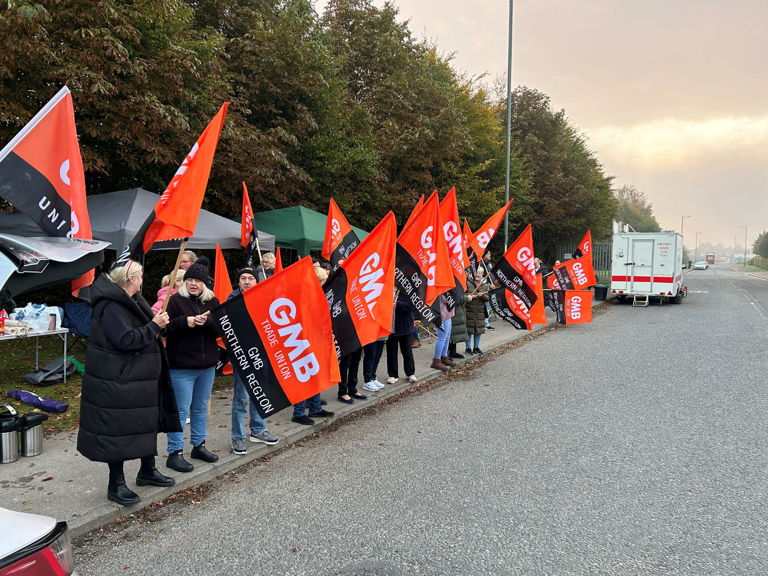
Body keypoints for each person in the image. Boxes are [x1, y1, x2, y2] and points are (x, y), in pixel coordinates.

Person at [77, 261, 181, 506]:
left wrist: (160, 325)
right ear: (131, 278)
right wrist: (155, 325)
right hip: (118, 380)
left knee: (146, 423)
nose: (143, 279)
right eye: (141, 276)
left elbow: (150, 327)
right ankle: (117, 484)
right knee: (118, 431)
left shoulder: (134, 299)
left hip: (140, 378)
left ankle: (147, 470)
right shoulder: (112, 305)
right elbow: (125, 339)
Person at [164, 263, 221, 472]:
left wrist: (205, 322)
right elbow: (162, 329)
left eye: (197, 281)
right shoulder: (175, 301)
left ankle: (199, 445)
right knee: (180, 410)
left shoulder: (212, 302)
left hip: (207, 366)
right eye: (189, 280)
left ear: (204, 283)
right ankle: (174, 452)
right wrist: (183, 322)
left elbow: (221, 330)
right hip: (181, 367)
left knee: (200, 408)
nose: (193, 284)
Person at [229, 267, 279, 455]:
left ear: (257, 281)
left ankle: (258, 430)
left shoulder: (264, 297)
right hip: (242, 357)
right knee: (241, 398)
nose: (247, 281)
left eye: (251, 278)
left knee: (260, 395)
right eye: (243, 278)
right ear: (239, 281)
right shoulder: (232, 300)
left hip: (261, 355)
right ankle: (237, 436)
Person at [292, 266, 335, 424]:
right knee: (305, 377)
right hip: (305, 341)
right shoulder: (306, 297)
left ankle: (315, 407)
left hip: (317, 340)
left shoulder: (317, 295)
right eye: (322, 280)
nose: (325, 282)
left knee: (316, 374)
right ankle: (298, 412)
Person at [386, 292, 417, 384]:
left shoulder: (407, 290)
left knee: (407, 351)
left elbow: (412, 306)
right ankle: (392, 374)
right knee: (391, 352)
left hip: (405, 326)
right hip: (390, 327)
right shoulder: (386, 289)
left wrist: (398, 304)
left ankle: (410, 373)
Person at [465, 270, 489, 355]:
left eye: (480, 273)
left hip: (480, 312)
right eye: (477, 273)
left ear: (482, 275)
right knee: (469, 330)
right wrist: (470, 296)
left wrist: (482, 295)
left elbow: (487, 298)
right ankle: (468, 348)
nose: (478, 275)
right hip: (469, 310)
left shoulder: (485, 286)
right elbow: (464, 295)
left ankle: (476, 347)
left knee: (478, 330)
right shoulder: (468, 283)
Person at [431, 293, 455, 372]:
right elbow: (446, 300)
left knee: (447, 337)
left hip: (447, 313)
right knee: (442, 337)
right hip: (442, 314)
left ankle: (444, 357)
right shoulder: (441, 288)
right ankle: (436, 360)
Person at [448, 285, 469, 359]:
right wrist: (466, 298)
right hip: (451, 311)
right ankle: (445, 353)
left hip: (457, 311)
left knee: (455, 332)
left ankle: (453, 351)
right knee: (450, 333)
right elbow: (455, 298)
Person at [479, 252, 496, 331]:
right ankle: (485, 323)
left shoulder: (489, 264)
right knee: (486, 306)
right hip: (485, 288)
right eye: (488, 254)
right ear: (484, 255)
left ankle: (486, 322)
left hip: (490, 288)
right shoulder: (480, 264)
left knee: (489, 306)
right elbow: (481, 278)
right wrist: (489, 285)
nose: (490, 255)